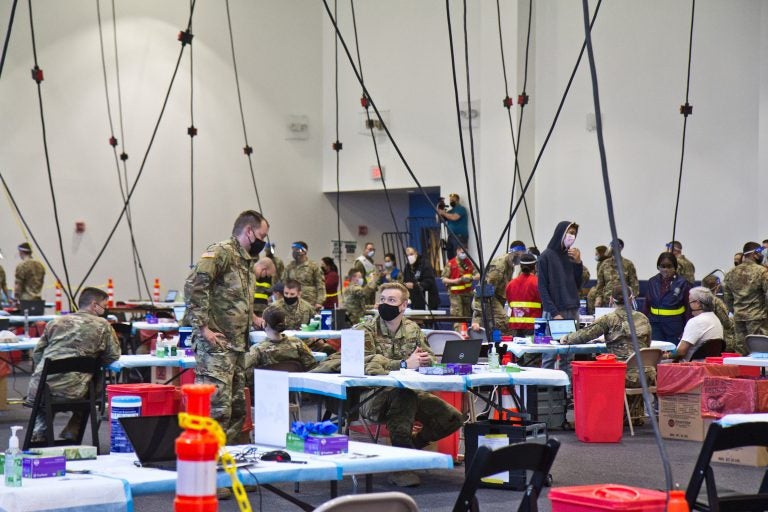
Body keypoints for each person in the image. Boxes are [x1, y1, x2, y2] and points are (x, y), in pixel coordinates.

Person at [357, 282, 463, 487]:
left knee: (452, 418)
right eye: (383, 299)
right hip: (372, 395)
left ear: (403, 305)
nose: (385, 304)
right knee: (403, 397)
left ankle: (408, 449)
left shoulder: (413, 329)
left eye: (391, 300)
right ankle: (401, 468)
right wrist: (404, 363)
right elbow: (364, 363)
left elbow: (430, 357)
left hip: (410, 391)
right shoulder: (365, 329)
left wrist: (425, 361)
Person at [184, 209, 268, 444]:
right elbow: (194, 285)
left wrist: (252, 317)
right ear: (249, 231)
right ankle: (207, 467)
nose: (264, 241)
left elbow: (240, 295)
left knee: (236, 408)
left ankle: (228, 465)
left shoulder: (246, 261)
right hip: (216, 345)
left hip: (238, 344)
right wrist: (203, 329)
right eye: (262, 234)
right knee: (216, 409)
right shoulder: (221, 252)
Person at [26, 287, 120, 442]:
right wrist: (93, 361)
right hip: (76, 390)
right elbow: (113, 355)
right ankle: (73, 428)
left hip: (39, 388)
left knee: (45, 392)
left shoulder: (55, 322)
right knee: (95, 380)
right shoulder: (103, 325)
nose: (105, 309)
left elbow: (37, 354)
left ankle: (39, 434)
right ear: (94, 304)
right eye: (104, 305)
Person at [559, 284, 652, 423]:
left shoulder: (608, 319)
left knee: (593, 371)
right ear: (632, 298)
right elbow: (647, 344)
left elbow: (584, 335)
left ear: (611, 299)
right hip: (647, 374)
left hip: (623, 375)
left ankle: (599, 417)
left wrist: (566, 338)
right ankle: (632, 417)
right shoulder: (643, 318)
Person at [537, 221, 584, 383]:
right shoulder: (545, 257)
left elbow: (578, 284)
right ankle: (546, 388)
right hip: (555, 312)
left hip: (572, 310)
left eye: (574, 233)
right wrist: (554, 312)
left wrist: (578, 264)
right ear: (560, 233)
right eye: (569, 232)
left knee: (568, 355)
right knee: (550, 354)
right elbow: (542, 289)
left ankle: (567, 392)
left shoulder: (571, 257)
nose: (572, 236)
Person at [263, 279, 335, 355]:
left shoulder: (307, 307)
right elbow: (265, 324)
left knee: (328, 349)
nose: (288, 296)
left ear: (299, 294)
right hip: (281, 344)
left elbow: (319, 324)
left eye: (292, 294)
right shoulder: (274, 307)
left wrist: (320, 339)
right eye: (286, 293)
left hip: (305, 345)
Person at [722, 242, 768, 353]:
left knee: (741, 350)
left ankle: (742, 371)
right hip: (758, 318)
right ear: (755, 254)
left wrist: (735, 310)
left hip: (739, 318)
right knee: (760, 351)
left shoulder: (730, 273)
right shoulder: (762, 272)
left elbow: (727, 298)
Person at [246, 308, 317, 372]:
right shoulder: (297, 343)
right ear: (284, 322)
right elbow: (311, 366)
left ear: (264, 324)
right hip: (294, 385)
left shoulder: (257, 350)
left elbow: (248, 376)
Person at [644, 252, 691, 344]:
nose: (666, 269)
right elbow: (647, 305)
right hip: (655, 324)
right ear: (658, 267)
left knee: (672, 353)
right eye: (663, 266)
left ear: (675, 267)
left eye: (669, 266)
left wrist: (687, 329)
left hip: (674, 325)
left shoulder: (683, 283)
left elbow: (688, 310)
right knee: (656, 352)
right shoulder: (652, 281)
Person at [470, 244, 517, 335]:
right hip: (485, 299)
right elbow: (483, 291)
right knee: (504, 323)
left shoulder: (511, 264)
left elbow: (502, 289)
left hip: (495, 298)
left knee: (499, 326)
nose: (517, 260)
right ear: (512, 253)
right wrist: (477, 317)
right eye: (517, 256)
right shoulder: (499, 267)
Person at [675, 287, 724, 362]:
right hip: (709, 365)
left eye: (690, 301)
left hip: (688, 366)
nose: (688, 304)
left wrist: (665, 355)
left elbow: (681, 352)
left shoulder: (695, 322)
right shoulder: (716, 319)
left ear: (697, 303)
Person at [593, 239, 640, 309]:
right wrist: (598, 297)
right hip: (608, 302)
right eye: (612, 245)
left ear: (621, 248)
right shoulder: (604, 264)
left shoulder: (628, 264)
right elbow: (600, 284)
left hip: (624, 303)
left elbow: (634, 285)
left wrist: (632, 298)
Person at [441, 246, 478, 331]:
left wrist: (471, 278)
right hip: (455, 295)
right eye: (462, 252)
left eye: (465, 252)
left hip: (467, 294)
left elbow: (478, 275)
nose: (464, 254)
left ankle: (466, 334)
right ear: (457, 251)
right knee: (457, 316)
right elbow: (443, 279)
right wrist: (455, 281)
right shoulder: (451, 263)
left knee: (467, 317)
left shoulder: (468, 263)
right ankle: (458, 334)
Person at [505, 253, 541, 336]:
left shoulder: (511, 284)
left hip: (515, 326)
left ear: (520, 266)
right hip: (532, 326)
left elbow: (510, 305)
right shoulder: (537, 283)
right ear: (535, 266)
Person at [284, 241, 325, 309]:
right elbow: (285, 283)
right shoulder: (290, 266)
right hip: (293, 302)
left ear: (304, 251)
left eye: (296, 249)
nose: (294, 252)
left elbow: (320, 285)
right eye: (293, 249)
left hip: (310, 303)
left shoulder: (313, 266)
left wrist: (319, 302)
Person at [701, 275, 736, 353]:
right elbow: (726, 323)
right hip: (720, 337)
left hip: (704, 336)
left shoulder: (697, 299)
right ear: (717, 287)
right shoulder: (716, 302)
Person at [403, 246, 439, 311]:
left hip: (428, 300)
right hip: (415, 301)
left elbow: (429, 281)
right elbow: (405, 281)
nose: (409, 257)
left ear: (416, 253)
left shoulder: (425, 264)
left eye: (411, 254)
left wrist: (414, 285)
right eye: (407, 255)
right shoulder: (407, 267)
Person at [437, 193, 469, 260]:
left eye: (453, 200)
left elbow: (454, 217)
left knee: (459, 258)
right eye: (450, 200)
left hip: (460, 237)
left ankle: (460, 270)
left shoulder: (461, 209)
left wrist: (443, 213)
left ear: (457, 201)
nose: (451, 202)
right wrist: (439, 209)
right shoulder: (449, 211)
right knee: (451, 258)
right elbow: (438, 220)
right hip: (451, 237)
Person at [252, 257, 277, 322]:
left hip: (259, 315)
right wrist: (255, 318)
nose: (265, 278)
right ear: (264, 269)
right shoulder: (245, 274)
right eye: (267, 275)